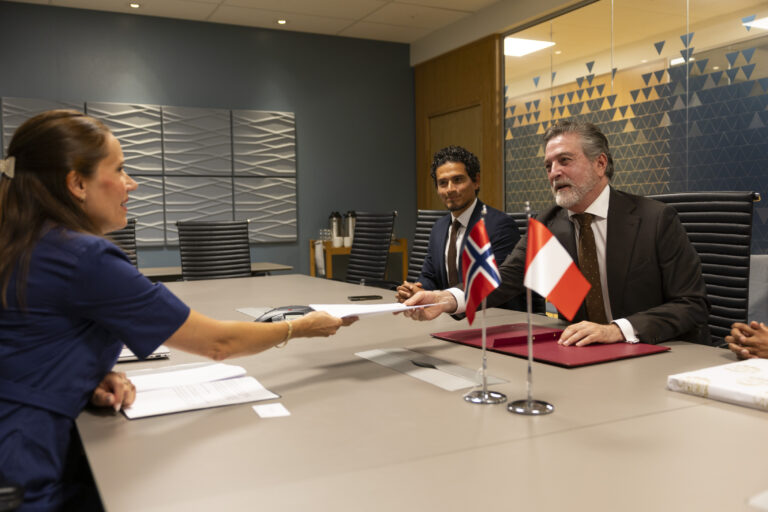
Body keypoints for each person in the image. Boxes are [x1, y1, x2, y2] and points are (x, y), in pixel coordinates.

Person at [0, 110, 351, 511]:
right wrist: (300, 327)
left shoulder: (22, 240)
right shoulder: (85, 257)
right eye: (120, 169)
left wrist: (83, 378)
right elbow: (219, 343)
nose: (131, 184)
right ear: (77, 183)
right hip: (25, 464)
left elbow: (30, 342)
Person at [404, 121, 710, 347]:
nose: (554, 172)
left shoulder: (655, 219)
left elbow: (691, 304)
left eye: (565, 160)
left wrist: (617, 329)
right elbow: (504, 277)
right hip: (584, 356)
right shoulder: (550, 222)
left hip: (657, 351)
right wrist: (446, 299)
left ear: (600, 163)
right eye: (548, 165)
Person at [396, 146, 522, 309]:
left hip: (490, 319)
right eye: (443, 183)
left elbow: (492, 284)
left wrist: (443, 298)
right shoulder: (438, 228)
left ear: (476, 181)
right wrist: (416, 290)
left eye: (458, 180)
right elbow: (429, 276)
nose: (450, 189)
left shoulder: (499, 226)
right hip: (449, 317)